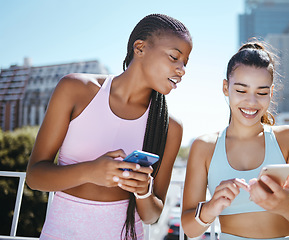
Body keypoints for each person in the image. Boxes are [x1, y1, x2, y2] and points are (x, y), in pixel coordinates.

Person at [26, 13, 192, 240]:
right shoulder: (75, 89)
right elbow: (35, 177)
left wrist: (143, 192)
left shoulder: (170, 127)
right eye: (175, 57)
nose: (182, 69)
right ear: (140, 48)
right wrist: (90, 171)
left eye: (185, 62)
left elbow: (152, 216)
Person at [181, 41, 289, 240]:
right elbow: (189, 228)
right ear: (225, 87)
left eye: (262, 93)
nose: (251, 102)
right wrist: (211, 208)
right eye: (241, 90)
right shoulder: (204, 147)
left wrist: (288, 206)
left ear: (271, 93)